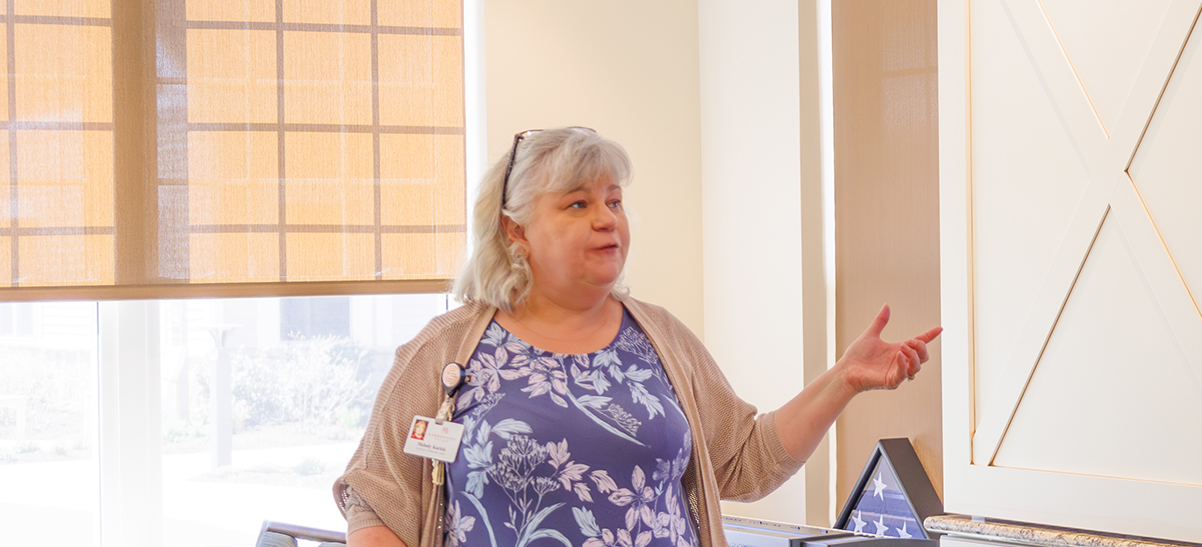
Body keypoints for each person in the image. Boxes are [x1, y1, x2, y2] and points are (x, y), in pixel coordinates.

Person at [334, 127, 940, 547]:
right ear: (513, 228)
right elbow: (376, 499)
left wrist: (843, 380)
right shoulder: (446, 352)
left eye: (614, 201)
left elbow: (742, 463)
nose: (606, 218)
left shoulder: (660, 340)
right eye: (576, 204)